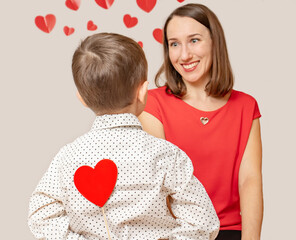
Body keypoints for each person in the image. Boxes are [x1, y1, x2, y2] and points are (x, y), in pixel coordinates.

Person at [28, 32, 220, 240]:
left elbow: (41, 215)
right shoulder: (167, 156)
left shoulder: (67, 157)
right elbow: (204, 223)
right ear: (143, 91)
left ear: (82, 99)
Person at [139, 3, 263, 240]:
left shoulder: (246, 106)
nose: (184, 55)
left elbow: (250, 182)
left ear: (215, 42)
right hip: (177, 234)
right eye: (174, 44)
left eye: (194, 40)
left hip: (230, 232)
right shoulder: (152, 104)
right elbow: (160, 188)